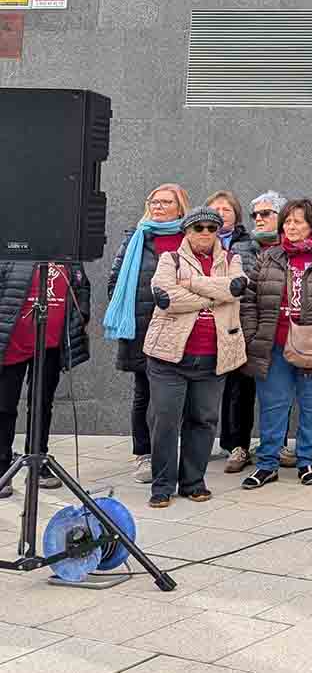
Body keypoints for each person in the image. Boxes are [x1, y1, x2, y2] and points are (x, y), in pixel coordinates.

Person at [239, 198, 312, 489]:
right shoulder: (268, 257)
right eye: (287, 222)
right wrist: (253, 335)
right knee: (273, 407)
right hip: (274, 345)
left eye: (298, 221)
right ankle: (267, 464)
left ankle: (307, 461)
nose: (291, 227)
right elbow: (249, 300)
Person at [144, 207, 249, 508]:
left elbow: (237, 287)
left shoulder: (232, 259)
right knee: (165, 421)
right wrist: (216, 294)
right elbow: (166, 297)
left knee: (203, 420)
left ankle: (193, 482)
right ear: (187, 231)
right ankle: (162, 485)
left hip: (214, 357)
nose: (205, 233)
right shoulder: (170, 259)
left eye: (211, 228)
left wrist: (190, 284)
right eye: (198, 228)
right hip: (169, 358)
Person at [105, 183, 190, 485]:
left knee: (174, 395)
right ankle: (144, 453)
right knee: (143, 392)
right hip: (141, 326)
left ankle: (170, 451)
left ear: (180, 209)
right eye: (154, 201)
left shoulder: (190, 239)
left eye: (166, 202)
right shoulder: (136, 238)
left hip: (179, 327)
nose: (158, 206)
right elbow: (115, 281)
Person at [0, 260, 90, 499]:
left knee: (41, 405)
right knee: (4, 407)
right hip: (13, 343)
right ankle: (2, 466)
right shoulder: (14, 252)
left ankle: (38, 461)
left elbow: (82, 288)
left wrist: (81, 315)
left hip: (50, 344)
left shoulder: (68, 257)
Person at [209, 189, 262, 475]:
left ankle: (238, 444)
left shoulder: (249, 244)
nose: (220, 214)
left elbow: (251, 280)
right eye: (215, 209)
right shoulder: (194, 242)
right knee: (203, 387)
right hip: (204, 322)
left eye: (226, 209)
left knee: (239, 388)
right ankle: (205, 440)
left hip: (236, 322)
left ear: (237, 215)